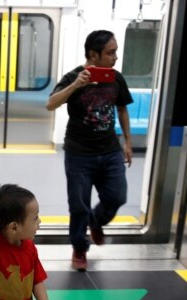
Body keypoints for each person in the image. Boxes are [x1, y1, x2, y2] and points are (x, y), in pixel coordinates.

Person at [46, 30, 133, 271]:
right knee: (78, 205)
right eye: (110, 52)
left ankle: (95, 221)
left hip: (110, 150)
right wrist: (76, 85)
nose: (115, 57)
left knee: (118, 196)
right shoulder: (73, 77)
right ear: (93, 55)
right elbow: (50, 104)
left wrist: (127, 141)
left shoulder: (116, 78)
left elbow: (122, 110)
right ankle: (79, 248)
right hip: (79, 154)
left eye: (115, 51)